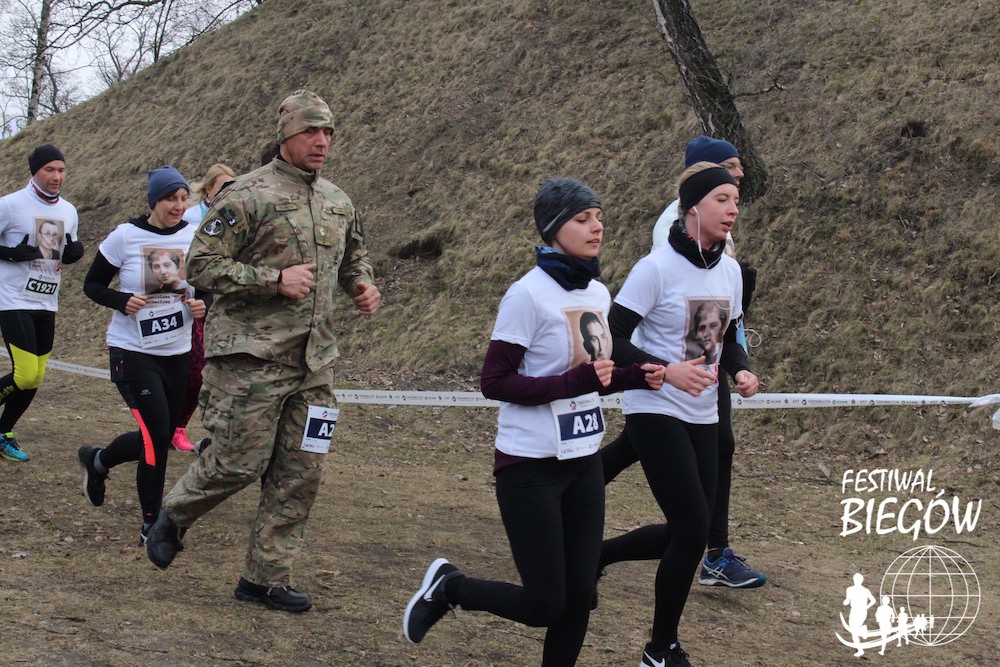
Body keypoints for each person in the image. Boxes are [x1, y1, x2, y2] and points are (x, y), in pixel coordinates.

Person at [403, 178, 666, 666]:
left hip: (583, 461)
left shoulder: (598, 293)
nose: (597, 227)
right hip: (529, 465)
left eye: (599, 217)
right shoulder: (526, 295)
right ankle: (451, 588)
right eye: (582, 219)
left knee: (580, 597)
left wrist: (637, 376)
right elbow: (494, 382)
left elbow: (592, 377)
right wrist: (572, 382)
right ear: (553, 228)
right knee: (545, 604)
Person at [144, 90, 381, 614]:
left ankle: (264, 580)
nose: (321, 141)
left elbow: (354, 256)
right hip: (251, 360)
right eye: (311, 131)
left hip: (315, 364)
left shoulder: (338, 200)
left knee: (302, 472)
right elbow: (200, 265)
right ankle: (174, 515)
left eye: (328, 132)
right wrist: (274, 280)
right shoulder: (246, 194)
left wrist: (362, 284)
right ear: (286, 135)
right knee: (237, 462)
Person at [601, 163, 759, 666]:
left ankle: (595, 556)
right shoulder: (656, 269)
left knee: (689, 530)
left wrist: (740, 370)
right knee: (692, 530)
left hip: (703, 412)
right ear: (692, 207)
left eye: (736, 201)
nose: (732, 210)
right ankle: (660, 649)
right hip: (654, 406)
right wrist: (666, 371)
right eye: (721, 199)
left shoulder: (730, 271)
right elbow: (610, 337)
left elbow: (723, 340)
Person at [78, 166, 206, 543]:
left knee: (159, 435)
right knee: (156, 436)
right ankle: (152, 525)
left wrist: (204, 304)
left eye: (183, 198)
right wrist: (121, 300)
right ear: (154, 201)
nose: (179, 206)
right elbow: (92, 285)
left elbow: (206, 287)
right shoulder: (125, 236)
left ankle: (99, 460)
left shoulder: (193, 235)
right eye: (170, 199)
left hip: (178, 351)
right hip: (133, 351)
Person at [0, 144, 84, 462]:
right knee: (24, 374)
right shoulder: (10, 205)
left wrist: (74, 254)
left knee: (36, 376)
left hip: (46, 300)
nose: (56, 176)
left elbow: (66, 248)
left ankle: (3, 432)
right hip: (12, 299)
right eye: (49, 169)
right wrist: (10, 253)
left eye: (61, 170)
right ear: (35, 171)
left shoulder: (69, 211)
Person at [172, 163, 234, 452]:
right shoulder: (189, 217)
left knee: (208, 370)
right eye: (222, 187)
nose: (227, 193)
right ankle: (171, 425)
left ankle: (182, 427)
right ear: (208, 189)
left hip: (222, 298)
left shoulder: (236, 216)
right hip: (191, 299)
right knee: (191, 367)